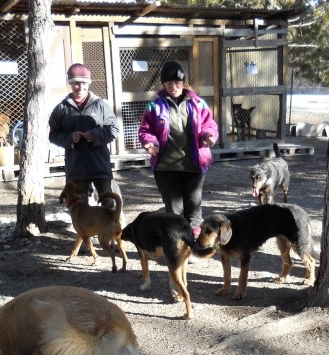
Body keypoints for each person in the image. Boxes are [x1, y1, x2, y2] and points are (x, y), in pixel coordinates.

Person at [138, 60, 219, 236]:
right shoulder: (154, 106)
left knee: (194, 207)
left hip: (193, 165)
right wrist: (150, 143)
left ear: (183, 82)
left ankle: (194, 243)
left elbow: (209, 124)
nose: (173, 86)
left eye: (177, 82)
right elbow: (146, 130)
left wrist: (209, 136)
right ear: (163, 84)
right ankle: (178, 245)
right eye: (169, 83)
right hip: (166, 167)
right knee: (174, 210)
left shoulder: (198, 103)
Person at [48, 63, 120, 200]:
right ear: (70, 84)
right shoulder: (61, 108)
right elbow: (53, 134)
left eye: (83, 83)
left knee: (109, 204)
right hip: (75, 167)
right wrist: (70, 138)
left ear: (89, 83)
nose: (80, 87)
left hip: (100, 164)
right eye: (75, 83)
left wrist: (95, 135)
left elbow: (114, 129)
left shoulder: (101, 105)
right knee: (79, 207)